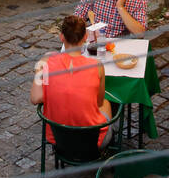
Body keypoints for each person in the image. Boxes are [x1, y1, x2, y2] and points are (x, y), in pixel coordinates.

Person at [31, 15, 113, 147]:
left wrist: (38, 69)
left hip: (58, 138)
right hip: (92, 142)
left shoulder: (47, 61)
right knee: (106, 103)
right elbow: (98, 102)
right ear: (85, 37)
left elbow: (35, 98)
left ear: (61, 37)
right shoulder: (97, 66)